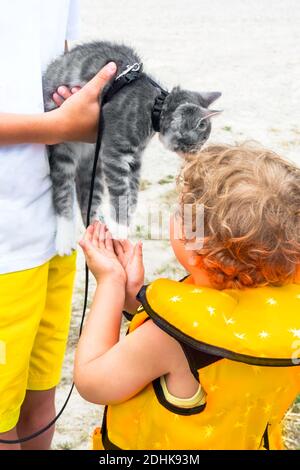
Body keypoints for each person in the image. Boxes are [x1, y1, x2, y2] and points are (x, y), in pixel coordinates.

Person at [75, 144, 300, 450]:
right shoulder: (286, 307)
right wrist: (134, 305)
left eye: (183, 212)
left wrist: (110, 284)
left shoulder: (166, 339)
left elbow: (93, 382)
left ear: (198, 249)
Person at [0, 0, 117, 450]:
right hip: (6, 247)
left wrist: (79, 100)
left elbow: (58, 60)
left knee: (38, 396)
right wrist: (56, 126)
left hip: (53, 228)